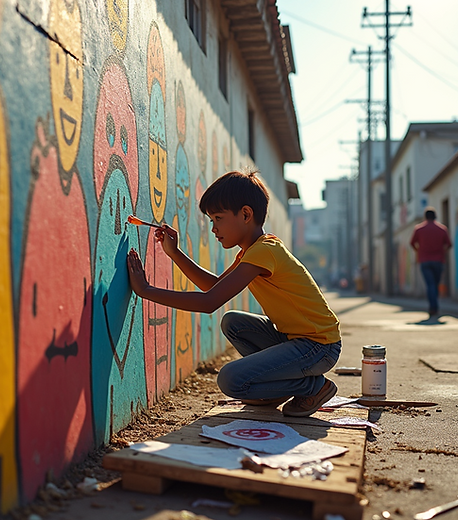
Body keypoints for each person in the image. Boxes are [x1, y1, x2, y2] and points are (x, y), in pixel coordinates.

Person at [126, 170, 341, 417]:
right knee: (233, 323)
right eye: (211, 220)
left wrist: (146, 290)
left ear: (246, 215)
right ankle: (277, 388)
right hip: (295, 340)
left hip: (318, 346)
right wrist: (174, 253)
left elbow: (209, 302)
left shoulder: (264, 251)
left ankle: (313, 387)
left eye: (218, 218)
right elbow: (213, 287)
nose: (214, 228)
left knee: (230, 380)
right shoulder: (252, 252)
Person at [410, 207, 452, 318]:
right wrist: (442, 251)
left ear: (425, 217)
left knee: (430, 285)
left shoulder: (419, 229)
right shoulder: (442, 229)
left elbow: (412, 243)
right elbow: (449, 244)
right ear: (435, 216)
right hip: (438, 260)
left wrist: (419, 250)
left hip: (424, 261)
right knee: (435, 284)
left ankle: (433, 307)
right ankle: (435, 306)